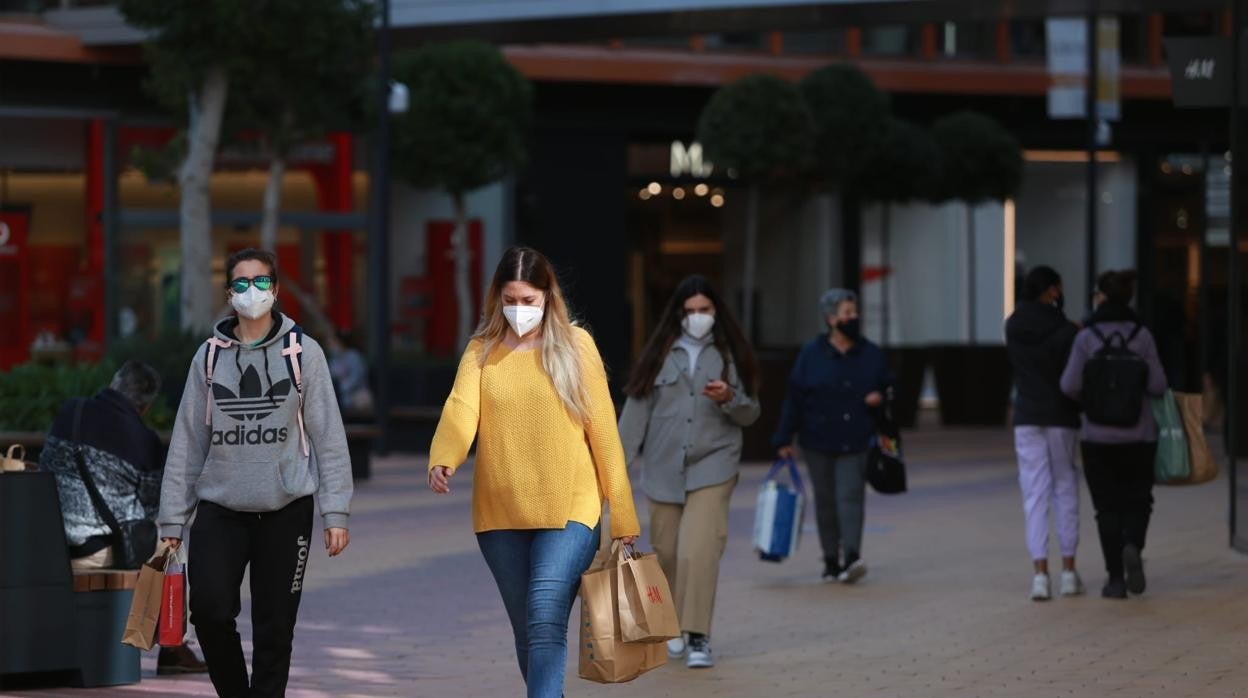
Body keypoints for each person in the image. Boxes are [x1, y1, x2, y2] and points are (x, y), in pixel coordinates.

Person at [427, 246, 640, 698]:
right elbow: (462, 407)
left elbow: (604, 432)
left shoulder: (576, 345)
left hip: (571, 509)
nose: (519, 310)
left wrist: (622, 513)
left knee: (544, 615)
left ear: (548, 296)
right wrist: (445, 454)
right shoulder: (481, 350)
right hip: (500, 512)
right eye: (510, 300)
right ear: (496, 298)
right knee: (528, 630)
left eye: (528, 300)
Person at [158, 248, 353, 697]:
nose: (252, 291)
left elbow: (328, 436)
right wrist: (173, 519)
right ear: (229, 294)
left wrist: (336, 511)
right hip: (220, 508)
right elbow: (188, 441)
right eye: (242, 283)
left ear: (276, 289)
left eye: (261, 282)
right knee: (207, 611)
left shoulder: (304, 353)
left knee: (274, 629)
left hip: (286, 510)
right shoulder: (208, 358)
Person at [618, 276, 760, 669]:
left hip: (714, 464)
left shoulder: (731, 355)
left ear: (717, 312)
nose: (698, 318)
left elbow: (752, 412)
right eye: (691, 311)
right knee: (666, 552)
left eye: (705, 310)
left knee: (698, 550)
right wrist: (613, 471)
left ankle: (697, 636)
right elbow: (634, 416)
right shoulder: (659, 355)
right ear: (679, 315)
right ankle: (673, 628)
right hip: (663, 469)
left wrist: (730, 398)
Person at [40, 361, 207, 674]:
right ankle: (173, 647)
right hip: (96, 551)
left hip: (48, 543)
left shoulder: (70, 412)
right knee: (172, 548)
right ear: (145, 405)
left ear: (114, 384)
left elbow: (46, 463)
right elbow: (152, 509)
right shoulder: (144, 440)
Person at [772, 289, 894, 584]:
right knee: (826, 501)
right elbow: (795, 398)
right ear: (831, 319)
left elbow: (891, 388)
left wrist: (881, 397)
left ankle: (852, 556)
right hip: (818, 441)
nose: (853, 318)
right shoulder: (811, 354)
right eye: (847, 313)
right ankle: (830, 560)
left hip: (856, 438)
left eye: (855, 312)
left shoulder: (871, 353)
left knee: (850, 497)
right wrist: (784, 438)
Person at [1060, 270, 1167, 600]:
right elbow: (1158, 385)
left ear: (1101, 297)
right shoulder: (1142, 335)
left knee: (1106, 507)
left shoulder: (1087, 337)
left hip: (1098, 437)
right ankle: (1133, 543)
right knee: (1138, 499)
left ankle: (1115, 579)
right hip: (1140, 436)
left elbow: (1069, 385)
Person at [1005, 266, 1084, 601]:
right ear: (1051, 290)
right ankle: (1068, 571)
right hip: (1061, 414)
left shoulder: (1013, 324)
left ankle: (1040, 575)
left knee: (1034, 494)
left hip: (1027, 414)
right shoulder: (1066, 328)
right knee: (1065, 487)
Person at [326, 331, 373, 413]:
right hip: (339, 397)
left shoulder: (354, 357)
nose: (330, 346)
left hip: (356, 396)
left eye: (332, 343)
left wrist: (340, 389)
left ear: (340, 342)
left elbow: (355, 379)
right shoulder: (334, 360)